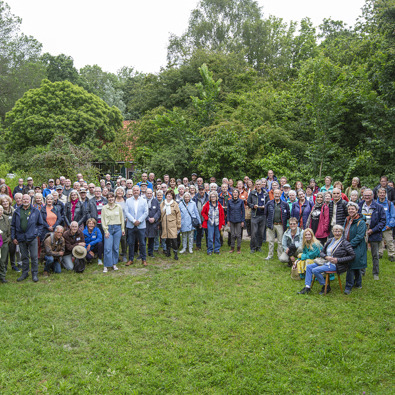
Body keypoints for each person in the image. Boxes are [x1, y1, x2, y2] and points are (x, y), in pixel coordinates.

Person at [298, 225, 355, 295]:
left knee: (315, 270)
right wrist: (326, 257)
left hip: (336, 264)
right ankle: (307, 287)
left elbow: (352, 256)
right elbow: (321, 252)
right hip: (326, 261)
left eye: (339, 231)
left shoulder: (345, 243)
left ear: (342, 232)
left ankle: (326, 286)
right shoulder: (330, 240)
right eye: (335, 231)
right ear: (333, 232)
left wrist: (338, 260)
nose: (337, 233)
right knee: (309, 267)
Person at [11, 194, 43, 282]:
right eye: (24, 199)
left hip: (32, 237)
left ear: (30, 200)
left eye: (27, 199)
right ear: (21, 200)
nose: (25, 201)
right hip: (21, 238)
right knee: (24, 257)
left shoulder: (35, 211)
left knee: (34, 257)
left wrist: (37, 234)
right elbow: (13, 225)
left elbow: (40, 224)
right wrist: (13, 237)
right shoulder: (17, 211)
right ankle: (25, 273)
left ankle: (34, 274)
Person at [358, 188, 386, 280]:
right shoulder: (360, 205)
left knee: (375, 255)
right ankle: (362, 272)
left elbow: (382, 221)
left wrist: (372, 230)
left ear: (373, 196)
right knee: (362, 254)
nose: (366, 197)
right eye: (365, 195)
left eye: (369, 195)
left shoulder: (379, 207)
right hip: (362, 234)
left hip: (374, 234)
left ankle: (375, 273)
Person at [343, 202, 367, 294]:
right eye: (349, 209)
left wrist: (349, 245)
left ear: (357, 210)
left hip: (357, 247)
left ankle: (348, 286)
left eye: (353, 209)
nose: (351, 211)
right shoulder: (347, 219)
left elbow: (359, 236)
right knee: (355, 265)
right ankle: (358, 283)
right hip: (348, 244)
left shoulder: (361, 222)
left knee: (351, 265)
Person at [101, 192, 125, 272]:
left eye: (112, 197)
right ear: (107, 199)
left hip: (117, 228)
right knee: (107, 248)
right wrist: (106, 230)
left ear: (114, 198)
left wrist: (122, 229)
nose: (111, 199)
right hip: (109, 229)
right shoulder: (104, 208)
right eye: (109, 197)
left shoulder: (119, 207)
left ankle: (114, 264)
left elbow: (122, 218)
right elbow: (103, 220)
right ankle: (106, 265)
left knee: (116, 248)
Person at [125, 185, 148, 266]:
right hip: (131, 225)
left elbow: (146, 212)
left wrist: (139, 220)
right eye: (134, 190)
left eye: (137, 190)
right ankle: (130, 259)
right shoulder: (128, 201)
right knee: (130, 243)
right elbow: (126, 212)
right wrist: (134, 220)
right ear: (132, 191)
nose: (135, 192)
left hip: (141, 225)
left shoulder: (144, 200)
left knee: (142, 243)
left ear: (139, 191)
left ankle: (143, 259)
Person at [264, 189, 290, 260]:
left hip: (280, 225)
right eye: (275, 193)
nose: (277, 195)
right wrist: (268, 223)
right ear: (274, 194)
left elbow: (288, 215)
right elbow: (265, 214)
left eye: (278, 193)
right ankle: (270, 255)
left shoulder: (285, 204)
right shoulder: (269, 203)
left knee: (280, 241)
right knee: (271, 241)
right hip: (271, 224)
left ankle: (280, 255)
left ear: (280, 194)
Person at [248, 179, 269, 253]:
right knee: (254, 232)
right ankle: (253, 247)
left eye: (259, 184)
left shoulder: (265, 193)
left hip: (263, 215)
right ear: (255, 185)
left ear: (262, 185)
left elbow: (268, 203)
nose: (258, 186)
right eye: (257, 184)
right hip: (255, 215)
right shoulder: (252, 193)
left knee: (261, 232)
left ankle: (259, 247)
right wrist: (253, 206)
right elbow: (248, 203)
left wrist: (265, 206)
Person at [201, 191, 225, 255]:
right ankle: (210, 250)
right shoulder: (207, 204)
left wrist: (222, 224)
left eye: (214, 196)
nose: (213, 198)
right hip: (210, 223)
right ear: (210, 197)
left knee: (217, 237)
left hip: (217, 223)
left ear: (216, 197)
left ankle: (217, 249)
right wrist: (206, 218)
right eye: (212, 196)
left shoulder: (219, 205)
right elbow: (202, 212)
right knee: (210, 237)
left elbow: (222, 215)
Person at [160, 189, 181, 260]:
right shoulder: (162, 203)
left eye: (170, 195)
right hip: (165, 224)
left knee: (174, 239)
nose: (169, 196)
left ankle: (175, 253)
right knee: (167, 239)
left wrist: (178, 224)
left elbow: (178, 215)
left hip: (172, 224)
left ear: (172, 196)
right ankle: (168, 252)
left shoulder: (175, 204)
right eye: (167, 194)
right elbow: (160, 213)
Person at [0, 196, 19, 272]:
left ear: (9, 202)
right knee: (4, 252)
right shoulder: (1, 212)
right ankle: (4, 266)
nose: (5, 203)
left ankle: (13, 265)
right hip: (4, 235)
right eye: (3, 202)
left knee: (12, 250)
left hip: (13, 233)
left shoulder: (13, 211)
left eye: (6, 201)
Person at [376, 187, 395, 261]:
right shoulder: (375, 203)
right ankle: (380, 254)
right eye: (380, 193)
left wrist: (390, 225)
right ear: (378, 194)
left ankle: (391, 255)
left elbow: (393, 216)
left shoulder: (390, 204)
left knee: (389, 242)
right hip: (378, 227)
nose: (382, 194)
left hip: (387, 227)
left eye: (383, 193)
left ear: (385, 194)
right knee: (379, 242)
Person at [145, 188, 161, 257]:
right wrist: (147, 218)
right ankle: (143, 253)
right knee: (143, 239)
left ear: (152, 194)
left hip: (153, 223)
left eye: (150, 193)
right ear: (146, 194)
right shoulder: (143, 201)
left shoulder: (155, 201)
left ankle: (150, 252)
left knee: (151, 238)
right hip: (145, 223)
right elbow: (141, 211)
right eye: (148, 193)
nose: (149, 194)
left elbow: (158, 211)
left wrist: (154, 218)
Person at [193, 186, 209, 250]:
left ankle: (208, 246)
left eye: (202, 190)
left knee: (207, 233)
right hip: (198, 218)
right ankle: (198, 246)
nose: (201, 191)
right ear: (198, 191)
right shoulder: (195, 198)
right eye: (200, 190)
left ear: (205, 190)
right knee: (198, 233)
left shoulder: (208, 197)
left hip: (206, 218)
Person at [0, 205, 11, 283]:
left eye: (0, 210)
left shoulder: (6, 218)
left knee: (3, 260)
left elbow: (9, 230)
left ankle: (2, 276)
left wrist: (8, 239)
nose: (0, 212)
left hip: (4, 242)